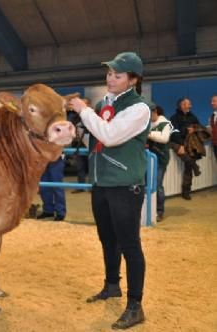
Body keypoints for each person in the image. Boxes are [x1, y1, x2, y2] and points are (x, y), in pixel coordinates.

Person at [68, 52, 150, 330]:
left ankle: (135, 305)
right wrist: (79, 127)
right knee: (107, 239)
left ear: (133, 79)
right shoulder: (105, 103)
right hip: (101, 182)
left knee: (130, 245)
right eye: (109, 73)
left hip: (126, 184)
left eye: (117, 75)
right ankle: (111, 285)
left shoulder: (139, 108)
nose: (110, 78)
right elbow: (97, 137)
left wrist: (83, 110)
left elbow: (111, 135)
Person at [169, 97, 201, 200]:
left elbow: (199, 127)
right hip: (178, 143)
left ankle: (186, 191)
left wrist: (194, 129)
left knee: (188, 166)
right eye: (188, 104)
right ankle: (195, 167)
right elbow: (174, 134)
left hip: (191, 144)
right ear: (182, 105)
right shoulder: (174, 118)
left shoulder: (193, 116)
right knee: (189, 162)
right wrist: (182, 143)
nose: (190, 106)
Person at [147, 105, 172, 221]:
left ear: (155, 111)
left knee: (158, 185)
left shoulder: (165, 123)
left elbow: (164, 139)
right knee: (146, 184)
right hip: (147, 158)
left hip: (161, 158)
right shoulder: (146, 123)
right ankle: (147, 210)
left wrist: (149, 135)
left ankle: (159, 211)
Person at [36, 156, 66, 221]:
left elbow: (64, 145)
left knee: (57, 186)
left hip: (56, 158)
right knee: (44, 186)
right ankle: (48, 210)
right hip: (43, 157)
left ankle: (60, 212)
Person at [209, 94, 217, 161]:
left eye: (214, 101)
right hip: (215, 144)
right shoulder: (212, 116)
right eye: (211, 101)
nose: (212, 103)